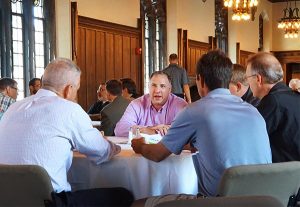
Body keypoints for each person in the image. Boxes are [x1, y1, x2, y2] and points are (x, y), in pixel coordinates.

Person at [131, 50, 271, 207]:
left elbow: (157, 155)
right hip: (262, 200)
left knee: (138, 203)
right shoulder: (253, 111)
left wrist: (140, 145)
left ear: (200, 80)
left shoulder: (196, 110)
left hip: (218, 202)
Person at [0, 58, 133, 206]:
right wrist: (115, 146)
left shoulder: (13, 108)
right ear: (68, 89)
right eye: (77, 89)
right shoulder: (69, 110)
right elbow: (101, 152)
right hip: (49, 202)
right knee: (123, 195)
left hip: (6, 199)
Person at [246, 52, 300, 162]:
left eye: (247, 78)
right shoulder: (294, 96)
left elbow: (250, 139)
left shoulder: (272, 101)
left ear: (258, 79)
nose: (248, 83)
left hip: (286, 174)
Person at [115, 71, 187, 137]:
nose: (157, 90)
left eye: (162, 86)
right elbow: (119, 130)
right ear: (148, 87)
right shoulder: (136, 104)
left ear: (169, 89)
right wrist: (149, 129)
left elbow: (187, 132)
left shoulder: (180, 105)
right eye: (153, 85)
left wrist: (152, 132)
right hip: (141, 150)